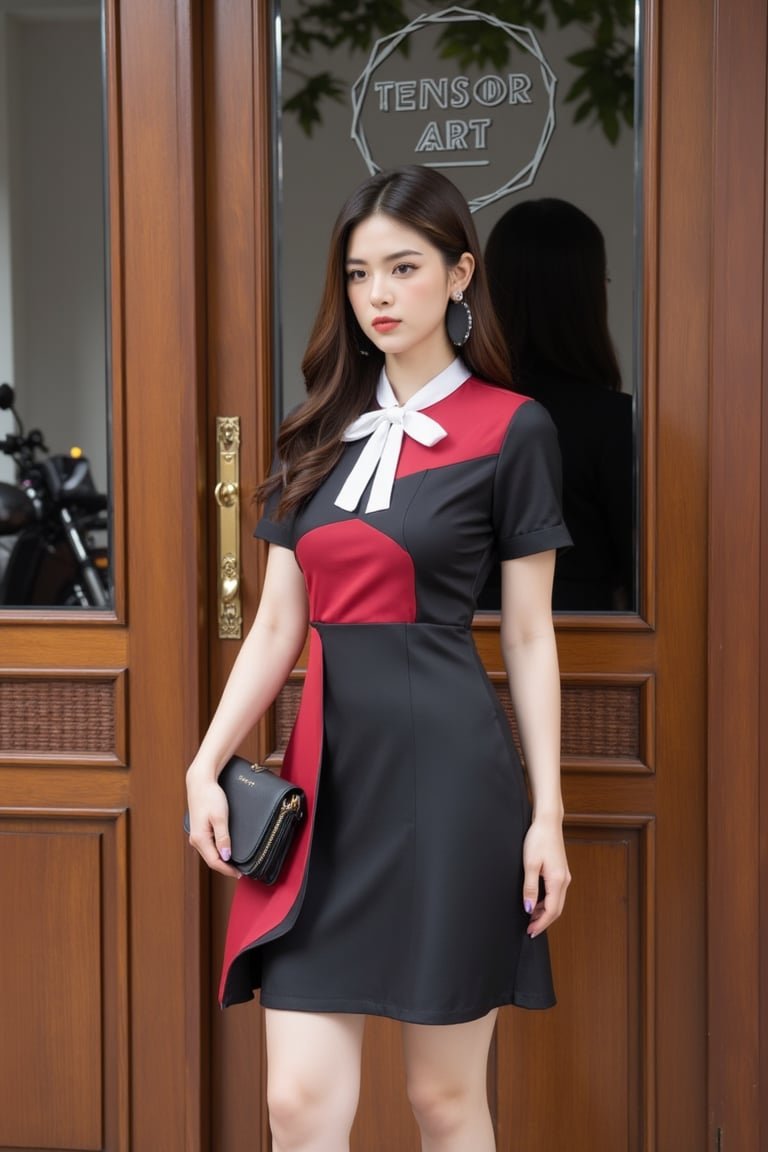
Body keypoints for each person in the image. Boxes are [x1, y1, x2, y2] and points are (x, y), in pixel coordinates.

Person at [186, 164, 572, 1152]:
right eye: (360, 275)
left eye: (404, 268)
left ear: (459, 275)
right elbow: (278, 626)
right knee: (297, 1104)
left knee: (445, 1103)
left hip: (451, 788)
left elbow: (529, 634)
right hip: (328, 792)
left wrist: (549, 817)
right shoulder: (313, 435)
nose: (379, 296)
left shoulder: (512, 429)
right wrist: (206, 762)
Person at [483, 197, 634, 612]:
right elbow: (646, 576)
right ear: (586, 295)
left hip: (460, 651)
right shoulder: (616, 422)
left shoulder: (451, 413)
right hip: (592, 653)